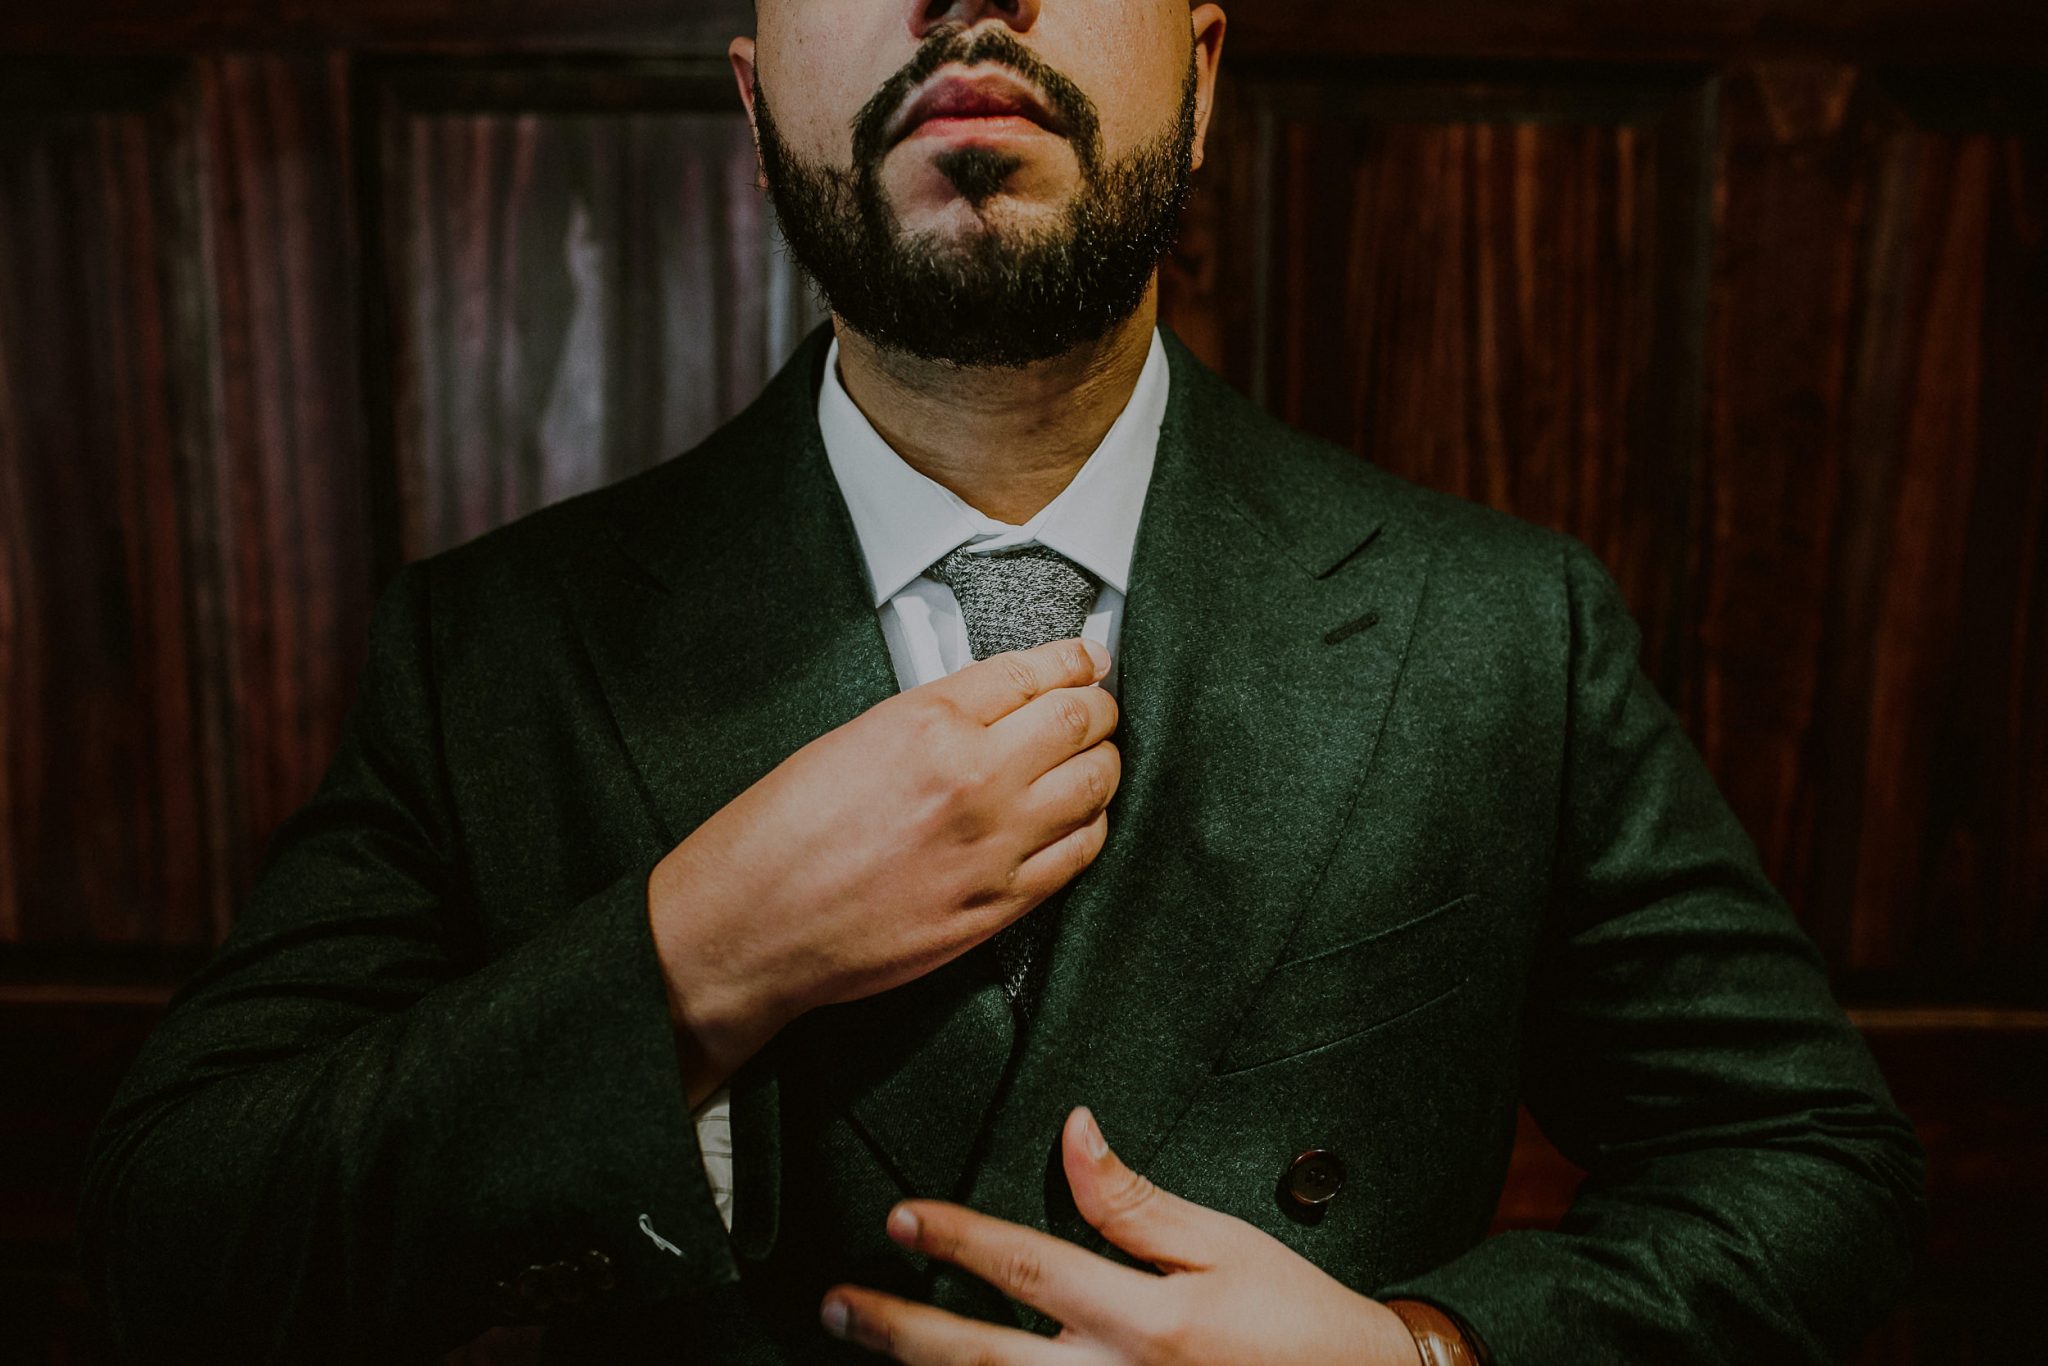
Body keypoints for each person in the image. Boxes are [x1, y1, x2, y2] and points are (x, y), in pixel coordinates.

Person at [76, 2, 1926, 1363]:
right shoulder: (488, 650)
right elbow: (179, 1228)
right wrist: (689, 958)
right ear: (753, 99)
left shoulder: (1507, 627)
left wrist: (1420, 1357)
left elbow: (1821, 1177)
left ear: (1201, 82)